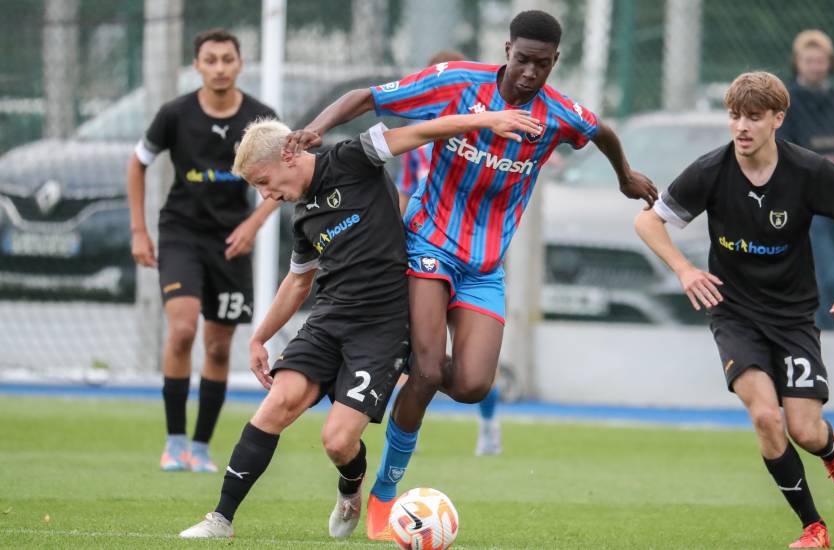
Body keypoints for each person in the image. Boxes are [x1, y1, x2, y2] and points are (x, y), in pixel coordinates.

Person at [285, 10, 658, 540]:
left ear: (556, 61)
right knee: (432, 371)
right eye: (524, 59)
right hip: (429, 244)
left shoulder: (558, 114)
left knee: (474, 384)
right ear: (507, 49)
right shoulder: (457, 82)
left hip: (484, 267)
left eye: (543, 64)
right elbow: (367, 98)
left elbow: (601, 131)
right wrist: (316, 129)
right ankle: (385, 495)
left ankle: (404, 357)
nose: (530, 73)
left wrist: (625, 177)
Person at [177, 109, 543, 539]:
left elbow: (423, 131)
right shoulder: (303, 218)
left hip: (383, 328)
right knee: (278, 402)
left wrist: (487, 121)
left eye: (263, 181)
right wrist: (260, 336)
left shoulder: (353, 157)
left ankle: (351, 486)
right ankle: (220, 519)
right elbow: (297, 283)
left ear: (289, 157)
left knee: (336, 441)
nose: (266, 195)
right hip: (328, 320)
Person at [635, 71, 834, 548]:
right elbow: (648, 221)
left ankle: (832, 452)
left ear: (778, 120)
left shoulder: (808, 171)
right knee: (765, 416)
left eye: (754, 118)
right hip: (735, 314)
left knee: (804, 429)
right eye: (735, 116)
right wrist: (684, 269)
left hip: (794, 317)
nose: (741, 127)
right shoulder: (710, 170)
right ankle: (813, 528)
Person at [126, 28, 279, 473]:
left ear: (240, 63)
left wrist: (253, 225)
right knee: (181, 330)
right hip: (181, 234)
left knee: (217, 347)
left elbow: (285, 177)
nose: (218, 68)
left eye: (226, 60)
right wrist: (139, 231)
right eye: (209, 60)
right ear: (196, 65)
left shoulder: (260, 118)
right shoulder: (174, 115)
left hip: (233, 242)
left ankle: (201, 447)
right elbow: (137, 164)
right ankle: (174, 443)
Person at [394, 48, 503, 457]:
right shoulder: (416, 138)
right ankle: (396, 457)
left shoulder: (490, 132)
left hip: (476, 255)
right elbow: (407, 194)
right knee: (429, 358)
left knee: (471, 366)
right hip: (426, 250)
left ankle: (489, 423)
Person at [778, 30, 834, 331]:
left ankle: (826, 322)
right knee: (828, 272)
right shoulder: (787, 101)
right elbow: (784, 146)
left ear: (830, 63)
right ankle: (827, 328)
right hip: (806, 198)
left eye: (820, 60)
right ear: (797, 63)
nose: (814, 66)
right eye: (808, 60)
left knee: (832, 261)